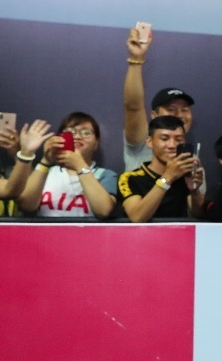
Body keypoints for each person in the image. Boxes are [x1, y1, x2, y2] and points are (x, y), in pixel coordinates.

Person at [121, 26, 199, 172]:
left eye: (184, 110)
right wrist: (136, 59)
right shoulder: (142, 142)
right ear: (154, 115)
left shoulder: (192, 161)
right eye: (171, 109)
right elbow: (133, 107)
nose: (179, 115)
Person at [17, 112, 119, 219]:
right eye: (71, 132)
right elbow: (26, 206)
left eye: (86, 133)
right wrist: (46, 161)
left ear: (96, 143)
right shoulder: (45, 172)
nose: (77, 137)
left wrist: (80, 166)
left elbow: (103, 211)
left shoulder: (105, 175)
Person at [117, 115, 205, 222]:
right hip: (144, 233)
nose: (172, 145)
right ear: (149, 142)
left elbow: (199, 214)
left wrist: (194, 191)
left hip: (179, 232)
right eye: (164, 139)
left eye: (178, 139)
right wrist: (167, 178)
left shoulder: (185, 176)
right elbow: (137, 217)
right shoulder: (130, 178)